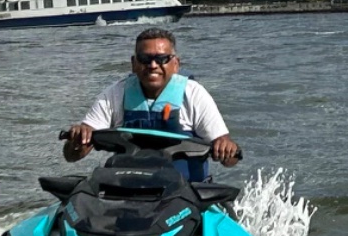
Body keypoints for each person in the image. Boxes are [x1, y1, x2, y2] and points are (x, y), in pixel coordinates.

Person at [63, 27, 241, 179]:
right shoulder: (115, 94)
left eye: (162, 58)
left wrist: (226, 148)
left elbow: (230, 161)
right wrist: (78, 140)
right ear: (134, 63)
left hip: (185, 194)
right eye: (145, 59)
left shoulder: (194, 94)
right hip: (126, 190)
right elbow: (71, 156)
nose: (153, 65)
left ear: (176, 64)